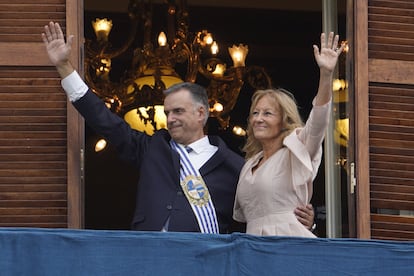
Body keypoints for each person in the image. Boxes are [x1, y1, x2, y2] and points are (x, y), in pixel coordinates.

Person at [41, 21, 314, 234]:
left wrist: (306, 221)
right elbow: (104, 120)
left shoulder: (236, 166)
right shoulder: (151, 148)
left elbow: (260, 210)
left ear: (202, 113)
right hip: (150, 257)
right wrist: (65, 68)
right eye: (168, 112)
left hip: (205, 262)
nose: (170, 118)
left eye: (178, 111)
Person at [233, 32, 345, 237]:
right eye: (255, 113)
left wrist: (326, 74)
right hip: (252, 246)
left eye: (267, 113)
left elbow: (319, 120)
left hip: (288, 244)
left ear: (284, 120)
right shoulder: (250, 163)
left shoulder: (296, 149)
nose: (258, 119)